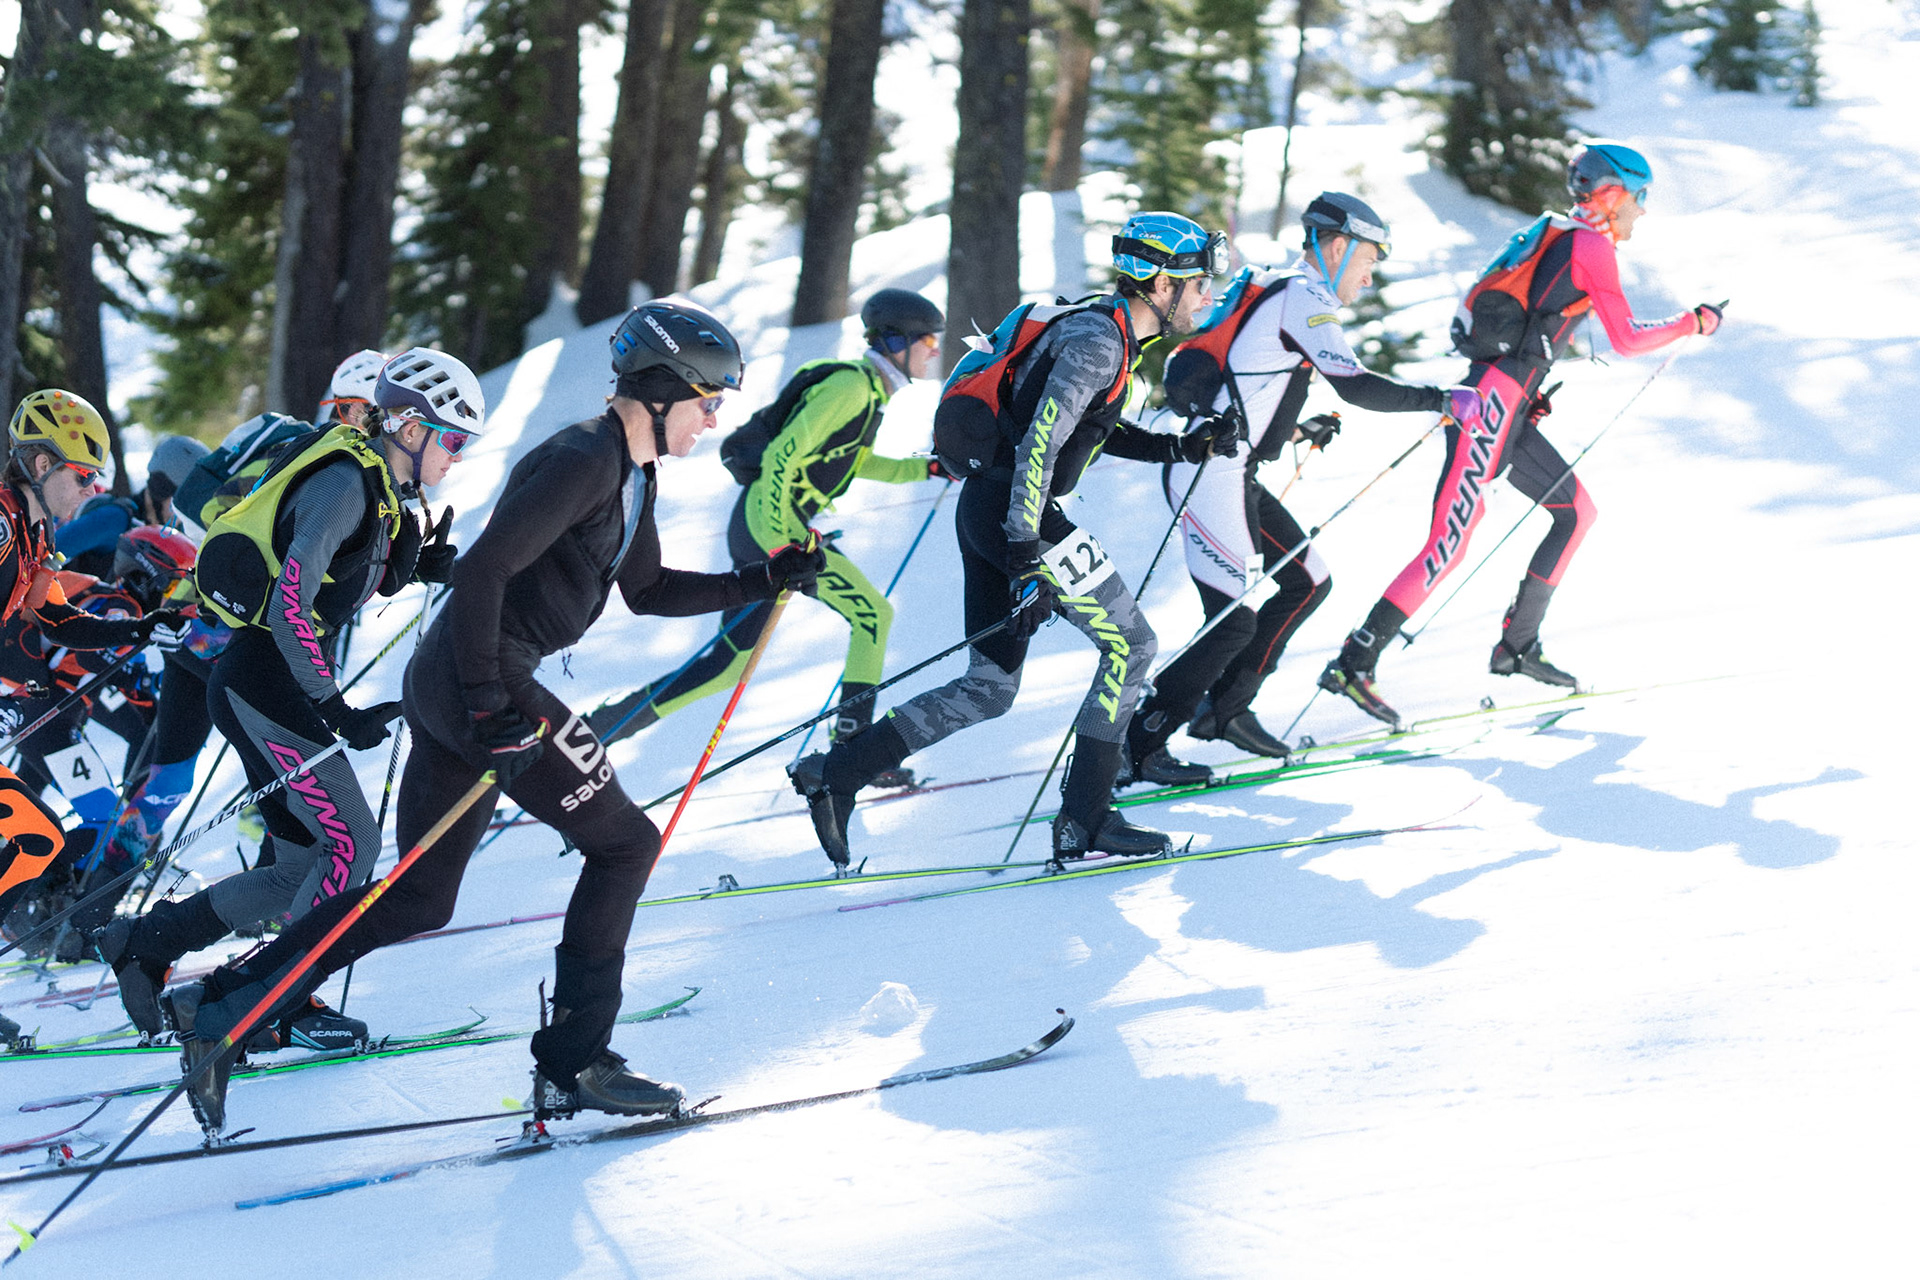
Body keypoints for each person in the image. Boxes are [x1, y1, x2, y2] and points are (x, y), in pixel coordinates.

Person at [162, 301, 824, 1134]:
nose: (714, 417)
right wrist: (490, 705)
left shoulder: (631, 472)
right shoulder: (585, 459)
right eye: (709, 398)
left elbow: (649, 589)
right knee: (626, 846)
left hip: (462, 681)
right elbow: (481, 574)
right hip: (484, 681)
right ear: (662, 391)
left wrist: (765, 579)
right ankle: (575, 1061)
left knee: (419, 898)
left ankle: (220, 1005)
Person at [790, 211, 1241, 868]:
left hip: (990, 508)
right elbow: (1040, 445)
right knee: (1132, 645)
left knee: (989, 688)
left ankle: (835, 773)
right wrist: (1027, 554)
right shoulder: (1099, 340)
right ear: (1161, 284)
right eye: (1198, 283)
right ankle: (1086, 818)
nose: (1207, 296)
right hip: (1015, 515)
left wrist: (1179, 447)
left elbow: (1088, 427)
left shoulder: (1105, 332)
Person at [96, 349, 473, 1052]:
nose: (457, 455)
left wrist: (417, 568)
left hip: (261, 684)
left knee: (298, 867)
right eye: (452, 438)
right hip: (264, 683)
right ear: (412, 429)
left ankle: (147, 941)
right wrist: (334, 707)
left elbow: (342, 575)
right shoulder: (345, 482)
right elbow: (289, 605)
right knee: (353, 842)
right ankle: (276, 1001)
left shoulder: (378, 491)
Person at [1319, 141, 1722, 728]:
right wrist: (1694, 322)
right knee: (1448, 543)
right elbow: (1628, 337)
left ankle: (1517, 647)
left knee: (1576, 513)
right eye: (1639, 196)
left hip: (1509, 402)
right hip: (1492, 403)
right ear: (1612, 195)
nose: (1642, 209)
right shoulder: (1590, 245)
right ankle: (1354, 662)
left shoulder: (1567, 237)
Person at [1126, 193, 1477, 773]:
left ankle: (1227, 709)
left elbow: (1243, 384)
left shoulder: (1276, 285)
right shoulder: (1304, 295)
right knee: (1232, 621)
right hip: (1210, 473)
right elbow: (1355, 384)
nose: (1369, 276)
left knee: (1308, 581)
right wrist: (1440, 399)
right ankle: (1140, 742)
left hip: (1229, 467)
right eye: (1369, 259)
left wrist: (1292, 429)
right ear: (1337, 247)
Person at [587, 289, 947, 774]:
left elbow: (853, 461)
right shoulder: (852, 388)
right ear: (898, 341)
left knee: (727, 666)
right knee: (872, 615)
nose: (934, 351)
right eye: (928, 340)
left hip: (762, 523)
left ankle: (600, 727)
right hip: (770, 527)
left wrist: (926, 470)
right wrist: (782, 541)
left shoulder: (870, 393)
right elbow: (782, 456)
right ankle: (855, 753)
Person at [0, 390, 183, 925]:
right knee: (40, 838)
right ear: (42, 464)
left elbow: (58, 618)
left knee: (40, 839)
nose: (93, 489)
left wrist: (139, 628)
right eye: (83, 475)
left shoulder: (36, 531)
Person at [54, 433, 209, 578]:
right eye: (183, 503)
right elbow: (50, 549)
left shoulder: (176, 539)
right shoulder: (115, 519)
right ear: (162, 489)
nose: (183, 515)